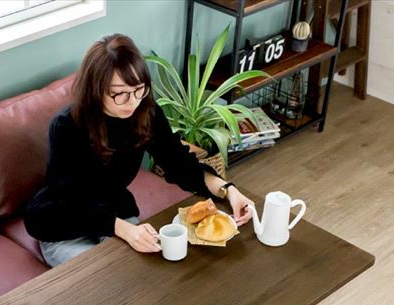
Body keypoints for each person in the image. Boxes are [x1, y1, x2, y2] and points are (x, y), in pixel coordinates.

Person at [24, 33, 255, 267]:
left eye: (138, 90)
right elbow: (72, 201)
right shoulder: (67, 127)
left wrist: (228, 191)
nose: (132, 102)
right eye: (119, 94)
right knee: (103, 277)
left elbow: (180, 164)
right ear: (95, 88)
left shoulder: (145, 113)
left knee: (142, 271)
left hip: (116, 211)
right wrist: (124, 230)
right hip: (65, 223)